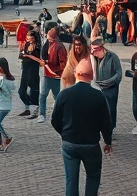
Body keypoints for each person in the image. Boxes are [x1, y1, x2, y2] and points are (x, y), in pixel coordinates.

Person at [51, 59, 113, 196]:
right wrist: (107, 141)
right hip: (90, 144)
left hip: (70, 143)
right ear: (91, 76)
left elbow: (54, 119)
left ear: (76, 74)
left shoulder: (64, 94)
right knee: (93, 177)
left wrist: (64, 133)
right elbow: (106, 122)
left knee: (71, 180)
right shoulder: (99, 96)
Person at [37, 26, 68, 124]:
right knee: (44, 96)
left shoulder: (59, 46)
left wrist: (56, 70)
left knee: (54, 96)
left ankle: (59, 114)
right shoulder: (49, 43)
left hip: (54, 75)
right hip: (47, 73)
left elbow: (63, 63)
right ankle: (42, 114)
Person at [89, 38, 122, 130]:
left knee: (110, 109)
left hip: (110, 89)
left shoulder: (112, 57)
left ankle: (110, 129)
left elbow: (118, 74)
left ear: (101, 48)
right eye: (91, 49)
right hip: (97, 88)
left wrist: (108, 82)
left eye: (94, 49)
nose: (92, 52)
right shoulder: (92, 58)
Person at [0, 58, 16, 152]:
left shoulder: (7, 79)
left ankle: (7, 138)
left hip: (4, 105)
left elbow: (10, 91)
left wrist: (1, 86)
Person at [17, 29, 42, 117]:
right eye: (28, 38)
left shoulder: (38, 47)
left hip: (33, 71)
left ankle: (34, 109)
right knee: (21, 92)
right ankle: (27, 107)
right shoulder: (26, 44)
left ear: (34, 38)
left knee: (34, 91)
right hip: (25, 70)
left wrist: (28, 56)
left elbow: (39, 60)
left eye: (30, 38)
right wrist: (23, 52)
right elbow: (20, 55)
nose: (28, 39)